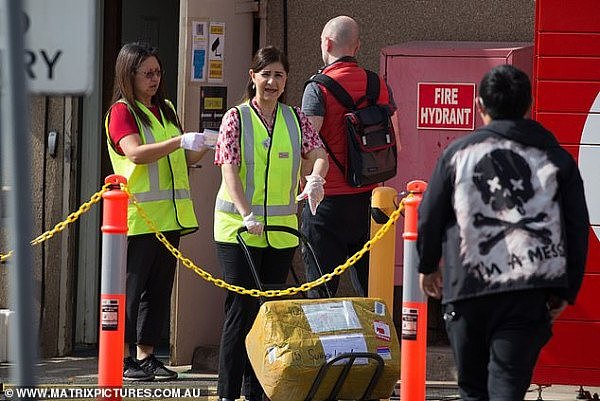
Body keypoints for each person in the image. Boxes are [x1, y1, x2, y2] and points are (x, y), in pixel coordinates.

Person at [417, 64, 589, 401]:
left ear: (479, 105)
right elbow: (576, 226)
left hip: (466, 288)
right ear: (529, 104)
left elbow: (430, 214)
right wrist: (566, 289)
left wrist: (426, 266)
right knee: (507, 387)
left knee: (472, 389)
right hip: (528, 290)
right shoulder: (554, 156)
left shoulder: (457, 154)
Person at [213, 46, 328, 401]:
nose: (272, 82)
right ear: (253, 76)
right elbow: (229, 167)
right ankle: (227, 393)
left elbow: (318, 152)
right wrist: (247, 213)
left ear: (286, 80)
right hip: (237, 230)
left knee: (270, 314)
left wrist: (316, 179)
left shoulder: (295, 118)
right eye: (266, 74)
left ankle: (258, 391)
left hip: (279, 233)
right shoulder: (237, 117)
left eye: (279, 75)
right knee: (241, 312)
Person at [105, 42, 209, 381]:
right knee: (129, 293)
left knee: (158, 291)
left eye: (158, 72)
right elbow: (135, 154)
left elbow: (182, 160)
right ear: (129, 74)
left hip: (170, 217)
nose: (154, 78)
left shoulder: (165, 108)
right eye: (147, 73)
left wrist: (203, 146)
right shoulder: (122, 112)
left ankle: (146, 355)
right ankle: (121, 358)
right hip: (136, 219)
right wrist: (179, 142)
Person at [301, 15, 395, 297]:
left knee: (321, 292)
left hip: (326, 203)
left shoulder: (317, 87)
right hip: (370, 203)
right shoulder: (378, 85)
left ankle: (323, 343)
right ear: (357, 46)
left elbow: (308, 146)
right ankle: (377, 341)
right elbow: (396, 143)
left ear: (327, 43)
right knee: (372, 291)